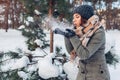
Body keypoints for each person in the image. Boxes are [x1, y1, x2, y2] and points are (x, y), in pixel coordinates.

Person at [54, 5, 110, 80]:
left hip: (97, 76)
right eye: (73, 17)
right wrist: (66, 35)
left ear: (85, 18)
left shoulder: (98, 32)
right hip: (82, 75)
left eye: (77, 17)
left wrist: (72, 37)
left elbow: (84, 54)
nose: (74, 20)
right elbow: (71, 51)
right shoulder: (79, 31)